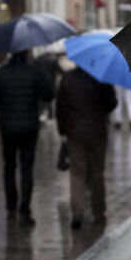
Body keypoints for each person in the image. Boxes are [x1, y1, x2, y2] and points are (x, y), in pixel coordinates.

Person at [0, 50, 54, 226]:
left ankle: (11, 208)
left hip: (7, 127)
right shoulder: (34, 72)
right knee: (27, 168)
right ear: (26, 54)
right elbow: (49, 94)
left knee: (9, 167)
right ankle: (25, 209)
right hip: (29, 127)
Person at [56, 61, 117, 229]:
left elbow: (60, 106)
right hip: (97, 132)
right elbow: (111, 104)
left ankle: (77, 211)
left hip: (74, 132)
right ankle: (99, 211)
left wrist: (62, 129)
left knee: (77, 172)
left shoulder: (67, 79)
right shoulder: (101, 78)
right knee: (97, 172)